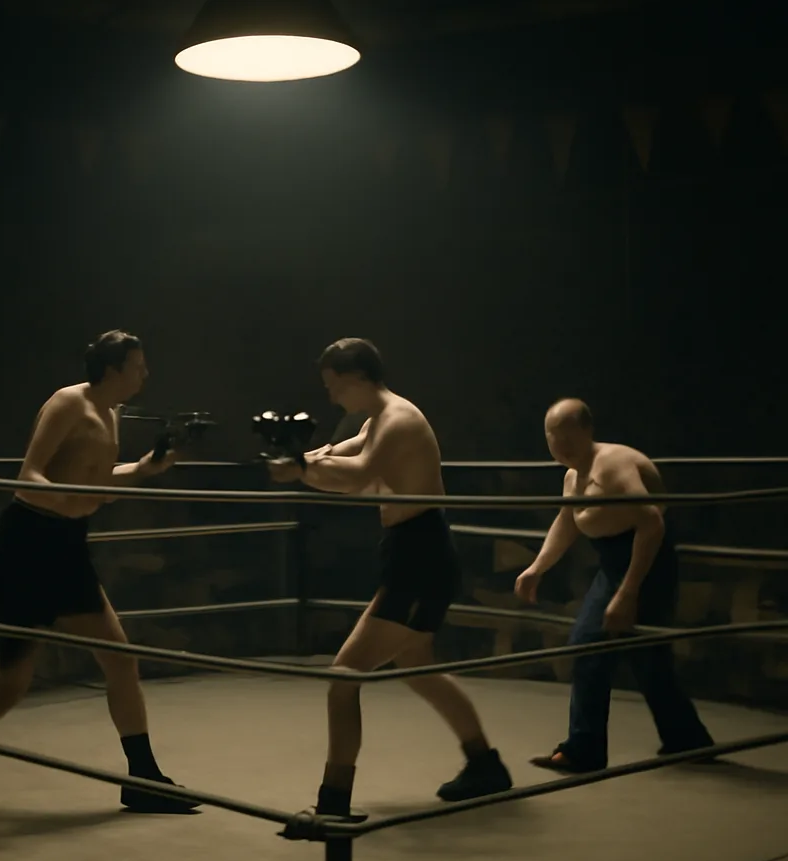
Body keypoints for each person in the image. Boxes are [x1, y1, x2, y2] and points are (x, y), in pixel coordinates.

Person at [0, 330, 199, 832]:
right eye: (138, 365)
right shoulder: (70, 403)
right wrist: (67, 500)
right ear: (113, 369)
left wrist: (148, 467)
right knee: (9, 683)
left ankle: (143, 778)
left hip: (66, 544)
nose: (145, 374)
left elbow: (100, 483)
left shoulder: (111, 414)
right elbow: (31, 474)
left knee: (120, 659)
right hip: (28, 543)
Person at [268, 338, 512, 820]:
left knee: (344, 677)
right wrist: (298, 455)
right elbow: (337, 450)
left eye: (334, 386)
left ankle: (333, 803)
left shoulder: (399, 420)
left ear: (355, 378)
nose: (332, 397)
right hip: (412, 552)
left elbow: (357, 476)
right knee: (417, 665)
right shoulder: (380, 420)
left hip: (419, 558)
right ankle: (486, 764)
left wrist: (299, 470)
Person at [515, 398, 714, 773]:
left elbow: (652, 523)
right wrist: (537, 568)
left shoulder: (613, 465)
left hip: (645, 561)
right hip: (613, 563)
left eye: (567, 436)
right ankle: (688, 740)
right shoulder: (573, 474)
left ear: (587, 430)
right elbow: (568, 520)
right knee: (644, 657)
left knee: (595, 647)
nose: (559, 445)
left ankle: (584, 749)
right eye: (552, 438)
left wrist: (629, 590)